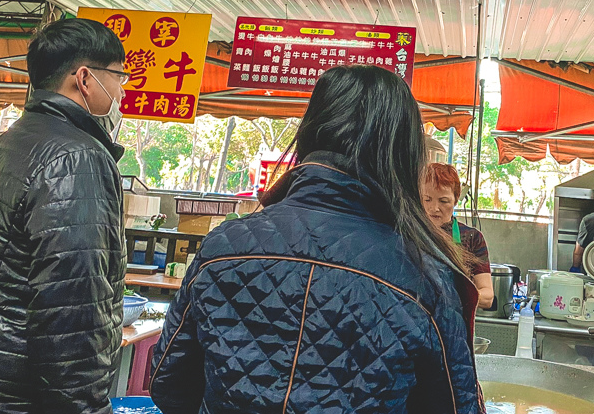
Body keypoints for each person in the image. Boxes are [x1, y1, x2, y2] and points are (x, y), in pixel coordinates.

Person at [151, 65, 484, 414]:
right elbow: (455, 406)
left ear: (310, 133)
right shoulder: (426, 276)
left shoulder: (223, 246)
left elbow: (167, 381)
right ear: (404, 153)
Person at [0, 18, 128, 414]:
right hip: (14, 396)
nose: (122, 92)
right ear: (85, 79)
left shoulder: (12, 141)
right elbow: (72, 308)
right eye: (118, 77)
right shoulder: (76, 157)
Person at [420, 162, 494, 308]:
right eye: (427, 199)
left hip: (455, 323)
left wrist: (453, 297)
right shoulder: (408, 234)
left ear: (456, 199)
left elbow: (487, 297)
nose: (434, 208)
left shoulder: (472, 238)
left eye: (443, 201)